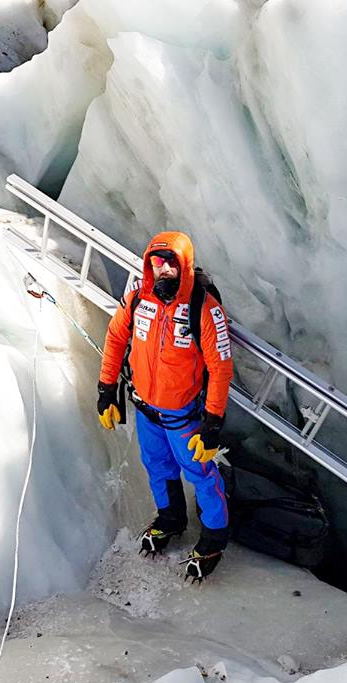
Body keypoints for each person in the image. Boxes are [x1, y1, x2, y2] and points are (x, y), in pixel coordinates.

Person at [96, 231, 234, 580]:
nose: (164, 269)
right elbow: (115, 339)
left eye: (172, 262)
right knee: (156, 465)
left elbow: (220, 367)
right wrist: (106, 388)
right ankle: (170, 518)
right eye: (158, 262)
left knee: (200, 474)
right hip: (146, 408)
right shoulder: (137, 299)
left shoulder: (204, 308)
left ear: (184, 266)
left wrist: (213, 422)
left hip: (183, 415)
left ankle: (214, 538)